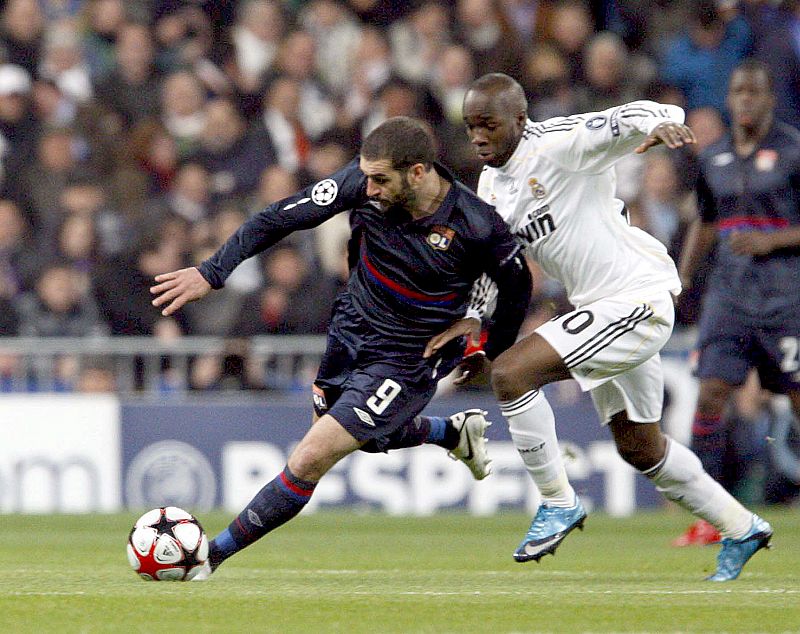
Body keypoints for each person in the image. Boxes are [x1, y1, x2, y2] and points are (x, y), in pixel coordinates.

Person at [149, 116, 532, 579]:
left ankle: (210, 557)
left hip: (411, 354)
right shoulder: (361, 182)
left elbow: (517, 286)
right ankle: (449, 434)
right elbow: (278, 217)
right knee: (358, 439)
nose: (366, 188)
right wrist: (212, 271)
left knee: (311, 455)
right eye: (365, 176)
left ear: (417, 172)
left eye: (379, 179)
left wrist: (489, 348)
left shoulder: (476, 224)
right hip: (351, 329)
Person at [426, 72, 772, 582]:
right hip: (602, 310)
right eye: (472, 126)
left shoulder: (559, 143)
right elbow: (497, 265)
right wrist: (474, 318)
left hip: (636, 299)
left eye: (489, 125)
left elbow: (625, 115)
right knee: (640, 448)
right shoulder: (492, 185)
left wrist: (665, 120)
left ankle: (557, 501)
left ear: (520, 121)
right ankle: (741, 527)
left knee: (512, 374)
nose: (478, 137)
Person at [675, 60, 800, 546]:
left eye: (754, 92)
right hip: (728, 298)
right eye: (738, 92)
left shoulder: (793, 151)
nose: (745, 100)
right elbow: (705, 222)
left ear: (770, 98)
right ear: (729, 99)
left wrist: (774, 242)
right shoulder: (714, 157)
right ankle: (710, 515)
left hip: (786, 298)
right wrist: (684, 275)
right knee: (709, 395)